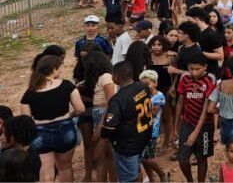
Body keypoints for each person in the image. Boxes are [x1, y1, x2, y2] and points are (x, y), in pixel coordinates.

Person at [21, 55, 85, 182]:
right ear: (53, 69)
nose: (60, 71)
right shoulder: (66, 85)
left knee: (45, 169)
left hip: (40, 132)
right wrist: (70, 116)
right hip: (65, 129)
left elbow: (26, 120)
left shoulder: (29, 92)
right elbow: (80, 109)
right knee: (65, 168)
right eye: (59, 68)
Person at [101, 61, 153, 183]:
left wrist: (103, 134)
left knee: (128, 179)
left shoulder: (118, 99)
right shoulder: (143, 86)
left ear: (116, 77)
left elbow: (109, 127)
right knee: (136, 170)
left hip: (127, 146)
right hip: (143, 137)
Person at [175, 52, 216, 183]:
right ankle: (190, 180)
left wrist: (196, 132)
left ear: (205, 67)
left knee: (201, 158)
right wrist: (175, 128)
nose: (194, 72)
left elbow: (206, 107)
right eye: (191, 69)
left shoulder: (210, 79)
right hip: (187, 123)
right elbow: (180, 102)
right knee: (182, 158)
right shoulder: (184, 78)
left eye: (197, 69)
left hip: (204, 125)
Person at [84, 50, 117, 182]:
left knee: (101, 155)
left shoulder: (106, 77)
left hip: (104, 117)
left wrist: (100, 126)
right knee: (104, 156)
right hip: (100, 114)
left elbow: (111, 102)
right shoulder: (101, 78)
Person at [139, 69, 168, 183]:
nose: (145, 87)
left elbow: (154, 112)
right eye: (143, 84)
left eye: (148, 84)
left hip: (152, 131)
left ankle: (161, 173)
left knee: (146, 157)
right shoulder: (141, 95)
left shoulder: (159, 96)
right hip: (141, 130)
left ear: (155, 83)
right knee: (145, 157)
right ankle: (151, 178)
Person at [0, 115, 41, 180]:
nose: (1, 137)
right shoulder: (7, 149)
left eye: (5, 134)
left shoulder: (30, 160)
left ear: (18, 134)